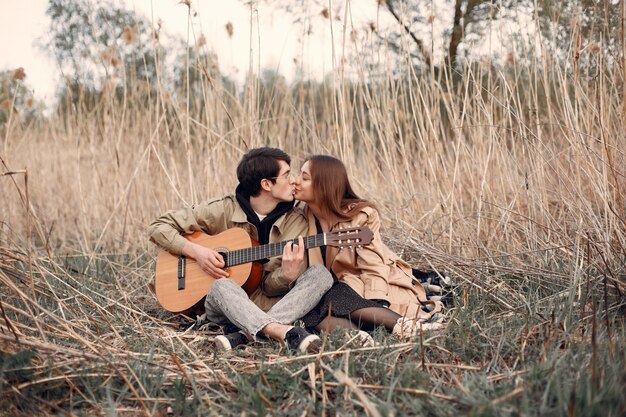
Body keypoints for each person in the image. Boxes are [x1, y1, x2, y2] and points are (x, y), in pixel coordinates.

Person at [148, 147, 334, 353]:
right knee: (221, 285)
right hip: (227, 304)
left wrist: (286, 276)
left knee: (321, 275)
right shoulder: (223, 209)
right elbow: (158, 226)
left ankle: (245, 334)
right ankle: (281, 331)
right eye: (287, 175)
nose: (294, 180)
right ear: (266, 184)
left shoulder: (296, 222)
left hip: (270, 303)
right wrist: (197, 253)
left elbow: (268, 287)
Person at [293, 155, 444, 340]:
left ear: (324, 185)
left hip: (365, 286)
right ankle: (359, 338)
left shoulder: (362, 215)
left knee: (333, 295)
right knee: (314, 307)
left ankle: (404, 325)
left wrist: (378, 302)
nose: (295, 181)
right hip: (330, 290)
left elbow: (373, 265)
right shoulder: (300, 217)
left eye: (304, 178)